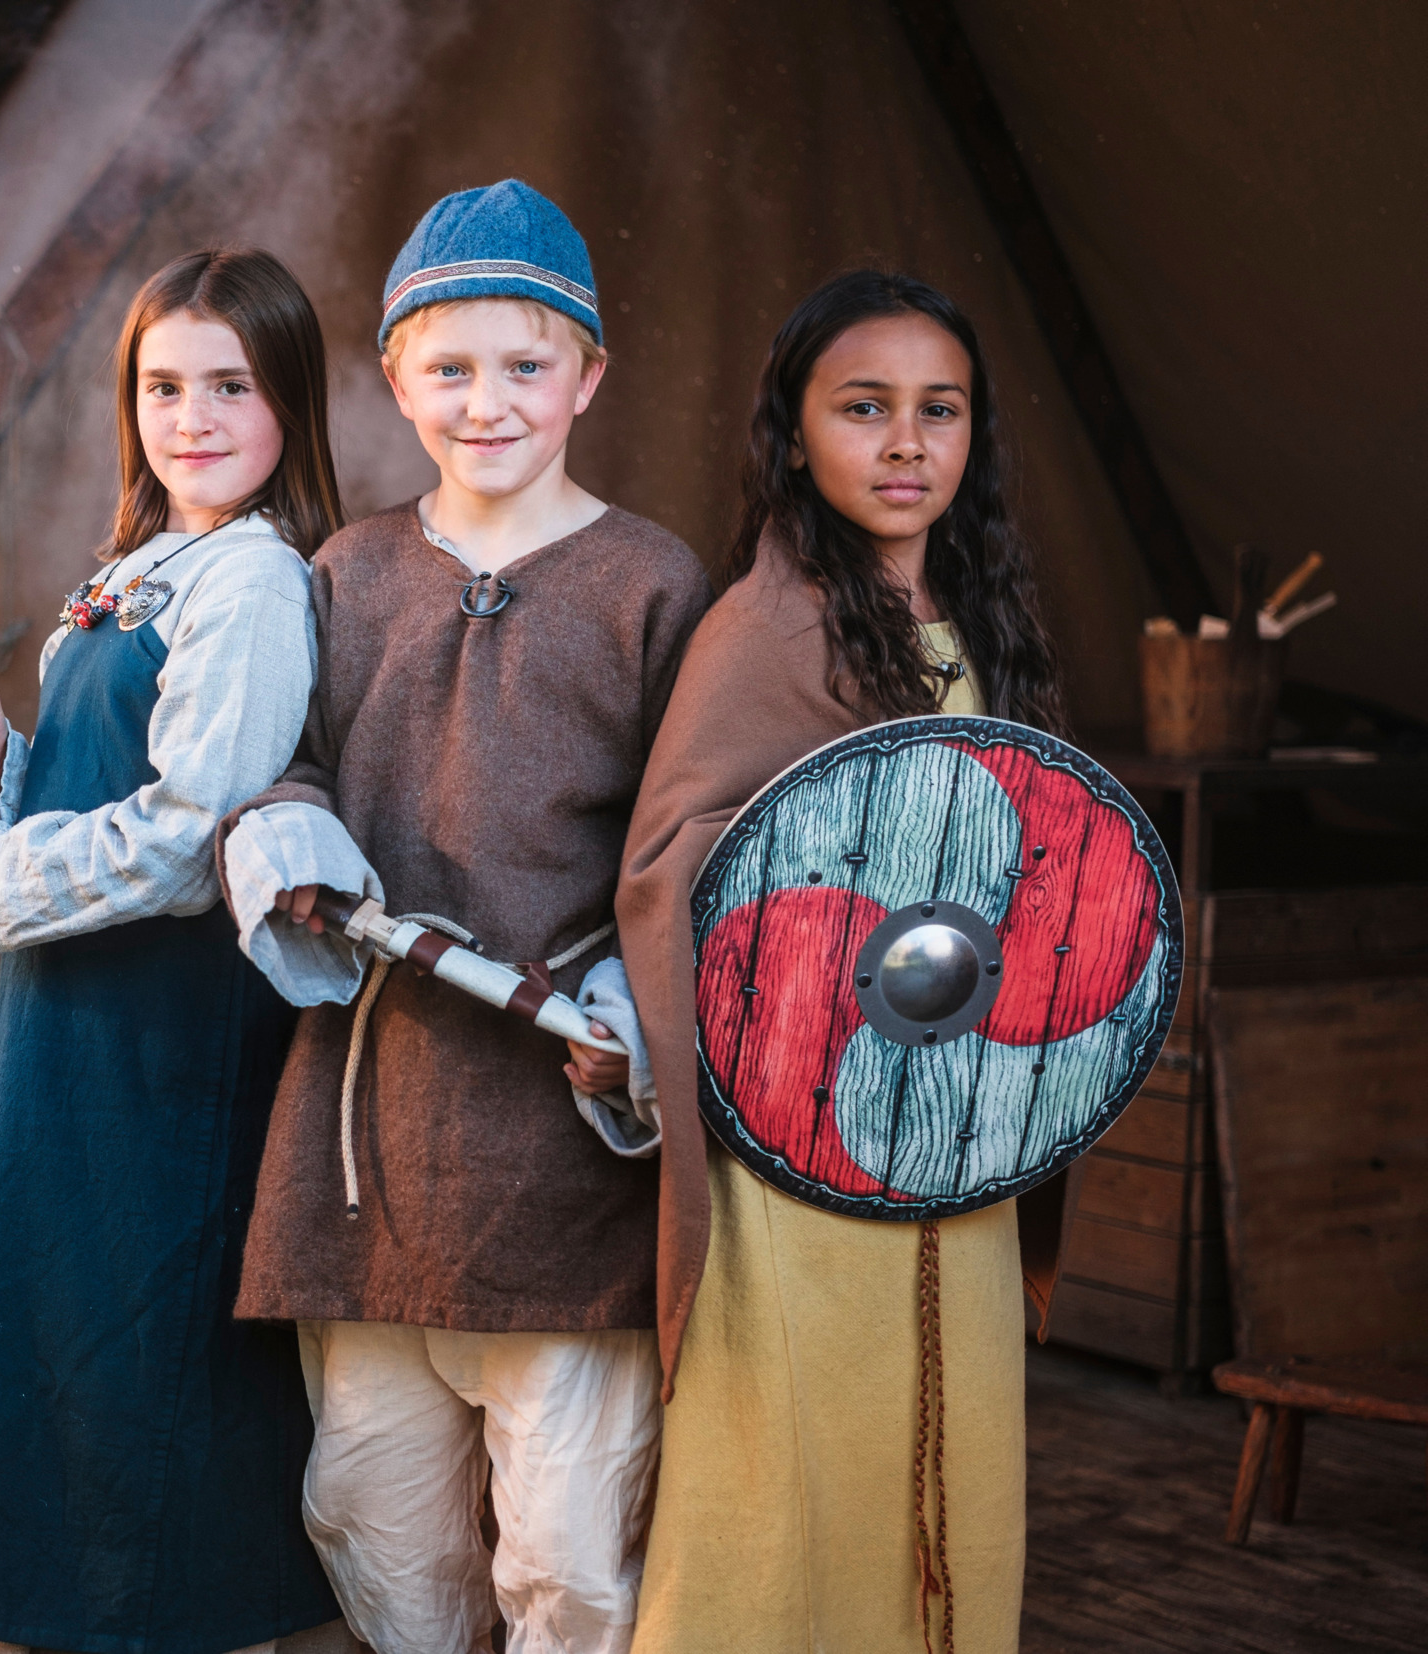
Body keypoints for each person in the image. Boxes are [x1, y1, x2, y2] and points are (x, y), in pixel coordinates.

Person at [218, 180, 711, 1654]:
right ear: (395, 379)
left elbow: (683, 846)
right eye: (449, 366)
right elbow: (277, 764)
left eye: (524, 365)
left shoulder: (650, 582)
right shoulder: (347, 574)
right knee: (377, 1523)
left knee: (565, 1552)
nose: (486, 400)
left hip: (563, 1147)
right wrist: (293, 836)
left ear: (588, 377)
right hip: (367, 1137)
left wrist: (634, 1015)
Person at [617, 269, 1069, 1654]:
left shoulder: (979, 623)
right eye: (864, 408)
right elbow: (667, 859)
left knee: (954, 1459)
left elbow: (1043, 853)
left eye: (941, 410)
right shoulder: (767, 624)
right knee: (789, 1477)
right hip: (804, 1139)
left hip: (958, 1123)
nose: (906, 442)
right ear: (797, 429)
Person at [0, 246, 351, 1654]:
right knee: (55, 1372)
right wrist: (11, 758)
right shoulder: (140, 568)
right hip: (71, 1033)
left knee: (148, 1388)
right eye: (164, 385)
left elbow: (183, 836)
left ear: (290, 402)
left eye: (232, 384)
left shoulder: (256, 579)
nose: (194, 416)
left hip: (170, 1045)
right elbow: (107, 782)